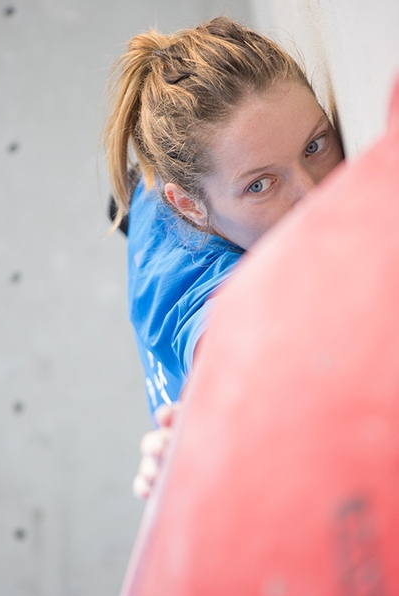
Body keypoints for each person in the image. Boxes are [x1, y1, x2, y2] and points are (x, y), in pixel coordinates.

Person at [104, 16, 344, 497]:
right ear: (190, 207)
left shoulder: (171, 185)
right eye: (260, 184)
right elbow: (231, 347)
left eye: (314, 145)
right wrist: (205, 435)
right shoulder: (196, 286)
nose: (313, 195)